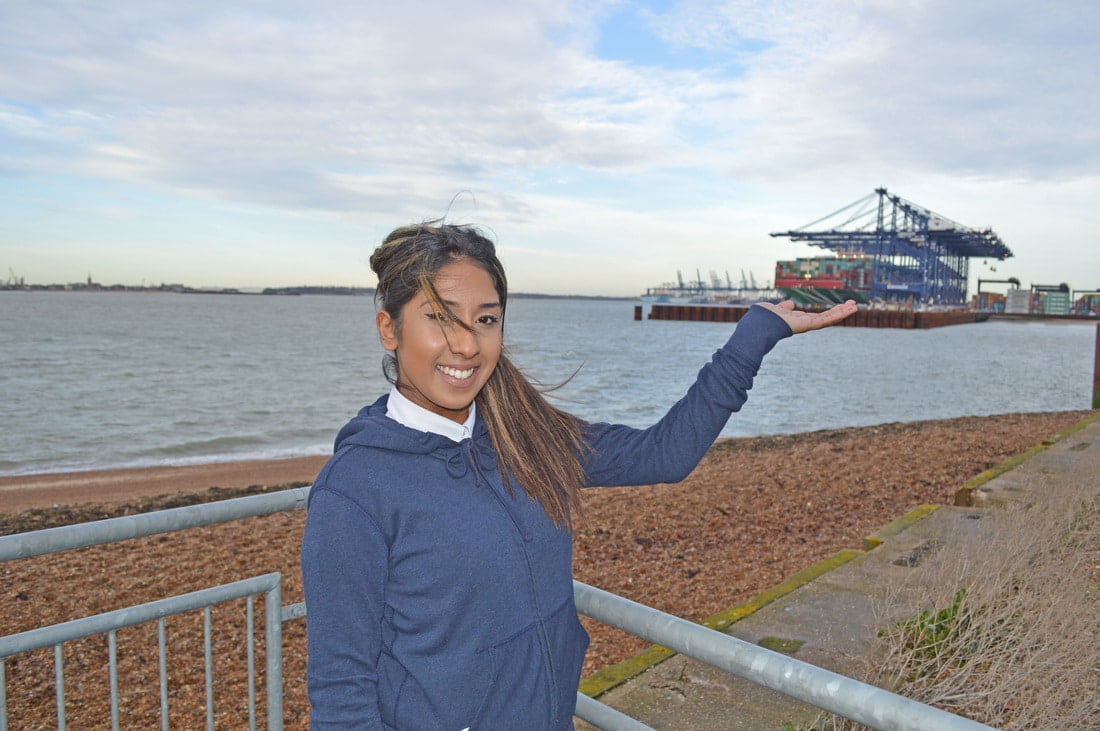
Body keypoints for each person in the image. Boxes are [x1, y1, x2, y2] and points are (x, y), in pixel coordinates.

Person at [300, 222, 857, 730]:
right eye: (439, 317)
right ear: (388, 329)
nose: (466, 344)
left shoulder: (527, 436)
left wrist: (754, 337)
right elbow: (342, 692)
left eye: (486, 319)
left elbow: (663, 454)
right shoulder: (355, 491)